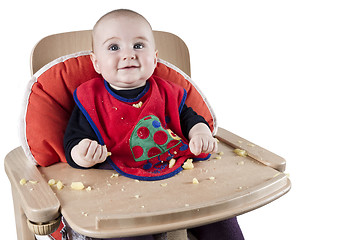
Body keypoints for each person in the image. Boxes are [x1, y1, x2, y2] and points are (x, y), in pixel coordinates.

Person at [63, 9, 244, 240]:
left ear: (155, 58)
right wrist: (82, 153)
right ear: (96, 63)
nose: (128, 54)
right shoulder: (91, 100)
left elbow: (191, 119)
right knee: (127, 232)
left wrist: (200, 133)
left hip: (178, 178)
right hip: (122, 193)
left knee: (220, 214)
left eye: (138, 45)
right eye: (114, 47)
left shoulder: (168, 93)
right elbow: (72, 141)